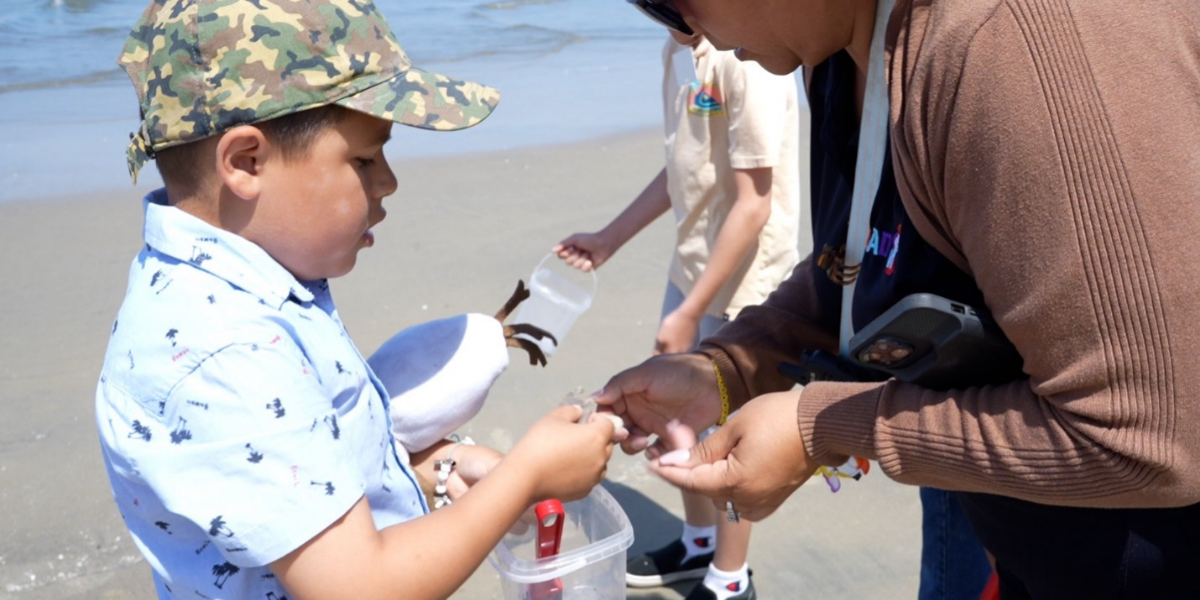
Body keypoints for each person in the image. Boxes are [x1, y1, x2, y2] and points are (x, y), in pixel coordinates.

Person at [607, 0, 1200, 598]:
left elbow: (1148, 439)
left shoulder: (1005, 46)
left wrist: (825, 427)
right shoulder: (837, 47)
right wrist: (732, 366)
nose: (682, 35)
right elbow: (863, 258)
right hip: (1034, 541)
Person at [94, 2, 625, 599]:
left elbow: (306, 473)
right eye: (365, 159)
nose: (389, 182)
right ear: (246, 163)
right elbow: (360, 587)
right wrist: (525, 478)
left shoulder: (251, 288)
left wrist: (432, 471)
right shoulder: (222, 350)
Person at [554, 29, 800, 600]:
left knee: (727, 434)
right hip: (691, 265)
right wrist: (609, 238)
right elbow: (681, 168)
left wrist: (689, 314)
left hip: (746, 282)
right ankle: (697, 543)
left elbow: (754, 203)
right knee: (672, 413)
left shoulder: (748, 58)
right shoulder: (678, 49)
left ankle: (731, 577)